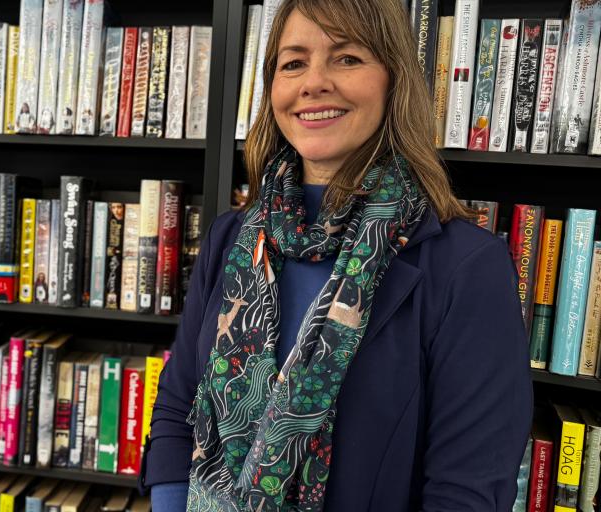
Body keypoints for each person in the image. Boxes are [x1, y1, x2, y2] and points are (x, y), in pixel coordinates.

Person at [140, 0, 533, 510]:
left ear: (393, 82)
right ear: (272, 89)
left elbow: (468, 491)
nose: (314, 83)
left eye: (347, 58)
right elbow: (178, 405)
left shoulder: (466, 267)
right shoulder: (231, 237)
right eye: (293, 62)